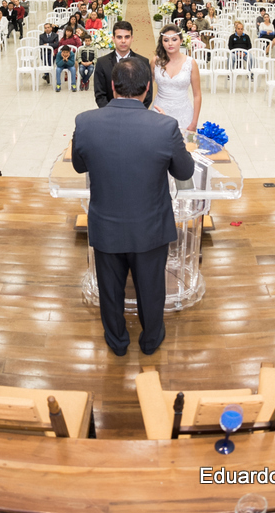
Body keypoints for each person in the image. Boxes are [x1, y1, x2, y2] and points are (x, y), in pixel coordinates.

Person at [72, 59, 196, 356]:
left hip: (105, 224)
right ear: (148, 88)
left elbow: (78, 165)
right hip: (150, 228)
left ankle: (116, 341)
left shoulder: (85, 121)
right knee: (151, 290)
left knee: (110, 291)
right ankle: (151, 340)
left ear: (113, 87)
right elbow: (184, 171)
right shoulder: (165, 127)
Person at [152, 25, 202, 133]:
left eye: (174, 39)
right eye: (166, 40)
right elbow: (145, 88)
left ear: (181, 40)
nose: (170, 43)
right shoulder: (155, 61)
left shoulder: (190, 63)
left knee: (184, 147)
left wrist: (194, 122)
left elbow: (197, 95)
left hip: (184, 113)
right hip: (159, 111)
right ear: (162, 42)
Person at [94, 21, 153, 108]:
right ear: (113, 39)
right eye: (119, 37)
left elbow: (148, 94)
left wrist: (136, 112)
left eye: (127, 37)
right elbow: (100, 95)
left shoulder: (143, 62)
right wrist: (110, 113)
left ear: (132, 38)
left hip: (136, 115)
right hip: (111, 115)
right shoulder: (102, 63)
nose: (123, 41)